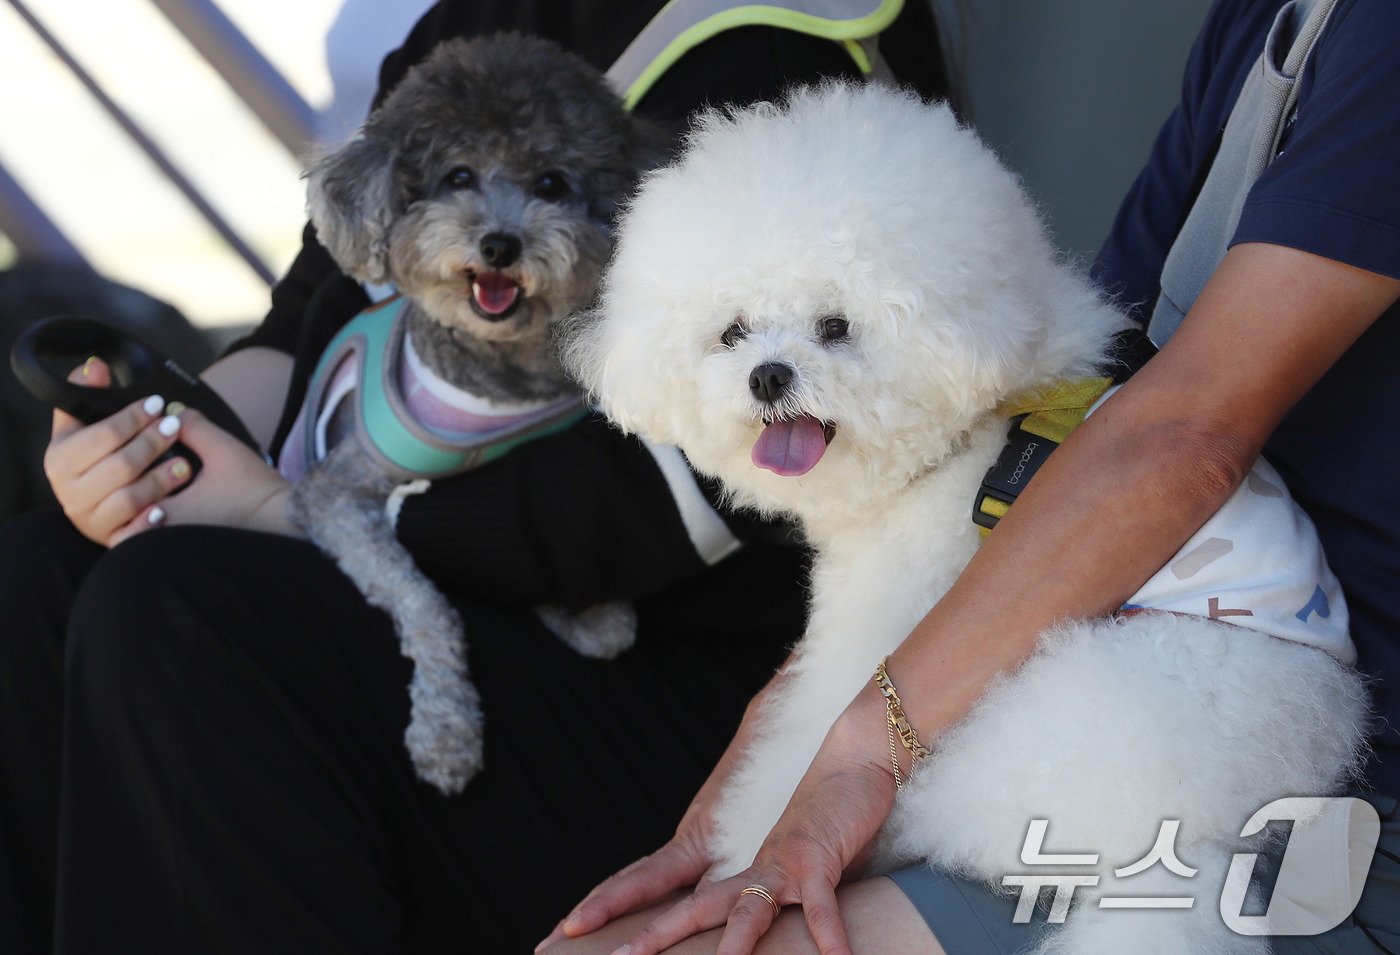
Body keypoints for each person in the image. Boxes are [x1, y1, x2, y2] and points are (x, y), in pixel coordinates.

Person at [0, 2, 955, 952]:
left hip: (708, 678)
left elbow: (681, 489)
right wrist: (148, 444)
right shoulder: (475, 24)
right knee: (41, 576)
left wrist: (286, 516)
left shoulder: (783, 49)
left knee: (181, 616)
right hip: (463, 565)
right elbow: (313, 315)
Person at [541, 0, 1400, 951]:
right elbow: (1120, 354)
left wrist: (836, 766)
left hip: (1223, 755)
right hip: (1198, 729)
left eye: (834, 329)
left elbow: (1182, 443)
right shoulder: (1259, 22)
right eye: (737, 335)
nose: (770, 372)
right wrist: (766, 751)